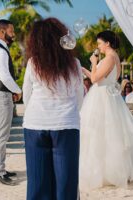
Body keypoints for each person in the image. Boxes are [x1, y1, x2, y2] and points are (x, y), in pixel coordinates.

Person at [23, 18, 83, 200]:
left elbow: (27, 96)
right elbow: (79, 97)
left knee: (37, 182)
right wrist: (68, 113)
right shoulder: (74, 64)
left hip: (35, 124)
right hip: (66, 125)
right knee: (66, 183)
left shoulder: (33, 63)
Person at [80, 31, 133, 190]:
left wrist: (94, 62)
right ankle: (103, 172)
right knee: (102, 134)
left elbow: (95, 80)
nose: (98, 47)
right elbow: (98, 79)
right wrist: (82, 69)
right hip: (105, 93)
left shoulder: (109, 58)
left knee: (104, 134)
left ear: (107, 43)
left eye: (100, 43)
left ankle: (107, 173)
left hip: (103, 98)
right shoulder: (112, 57)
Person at [0, 19, 22, 185]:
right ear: (2, 32)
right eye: (11, 30)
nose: (13, 33)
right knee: (0, 136)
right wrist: (17, 90)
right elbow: (5, 76)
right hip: (1, 95)